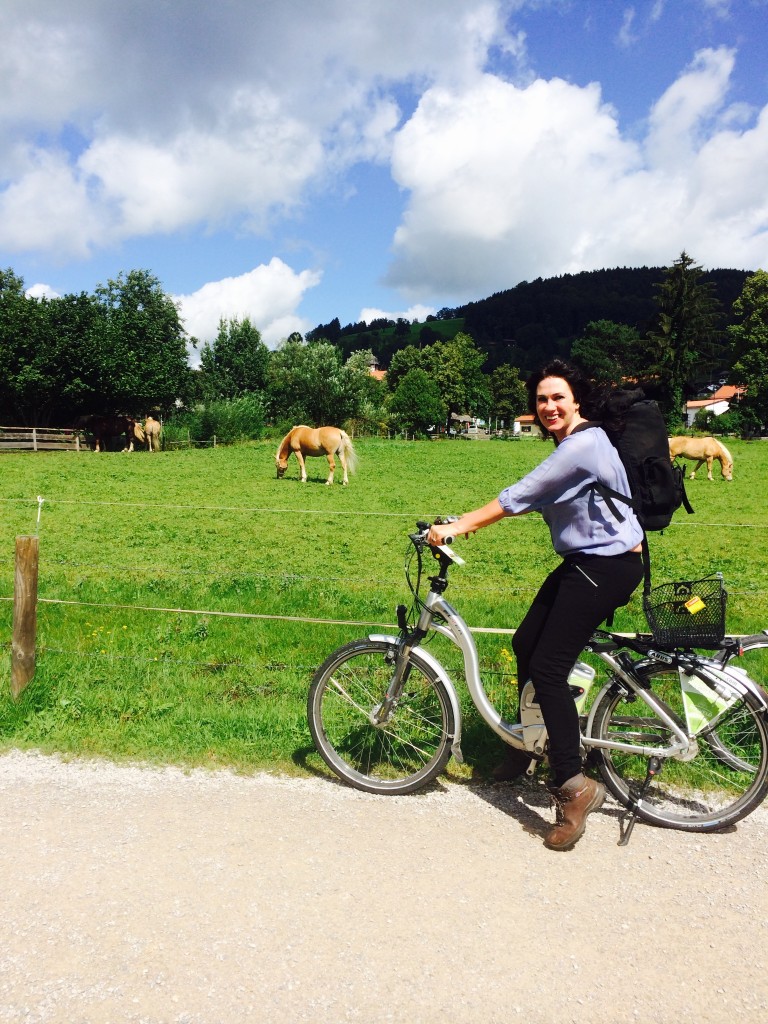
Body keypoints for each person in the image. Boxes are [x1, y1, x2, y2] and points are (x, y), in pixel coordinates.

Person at [427, 359, 644, 851]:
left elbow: (521, 495)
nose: (548, 407)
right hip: (589, 560)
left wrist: (458, 525)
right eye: (541, 400)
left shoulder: (583, 444)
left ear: (577, 402)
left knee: (548, 667)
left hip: (607, 564)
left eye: (557, 398)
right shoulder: (575, 442)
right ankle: (526, 747)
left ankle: (573, 784)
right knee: (526, 643)